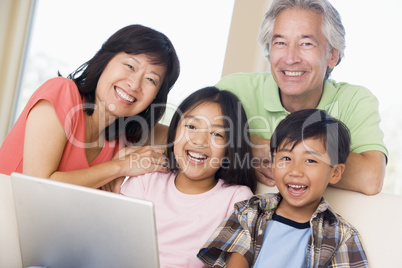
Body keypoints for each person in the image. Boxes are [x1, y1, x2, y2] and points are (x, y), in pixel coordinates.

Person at [215, 0, 387, 195]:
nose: (290, 58)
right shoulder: (234, 89)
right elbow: (187, 140)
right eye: (280, 42)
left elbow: (370, 178)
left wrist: (254, 149)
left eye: (306, 43)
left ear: (332, 55)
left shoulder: (355, 100)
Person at [0, 24, 180, 191]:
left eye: (151, 80)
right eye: (130, 66)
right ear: (105, 61)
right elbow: (37, 186)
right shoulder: (62, 92)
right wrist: (120, 167)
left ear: (157, 96)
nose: (134, 85)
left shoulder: (123, 136)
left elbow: (188, 137)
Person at [198, 109, 368, 268]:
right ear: (272, 163)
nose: (295, 171)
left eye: (310, 160)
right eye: (286, 158)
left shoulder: (341, 236)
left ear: (335, 173)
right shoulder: (251, 212)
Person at [119, 87, 257, 267]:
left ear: (230, 148)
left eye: (217, 134)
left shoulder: (236, 197)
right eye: (191, 126)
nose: (199, 141)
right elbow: (114, 240)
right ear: (174, 131)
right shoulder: (147, 178)